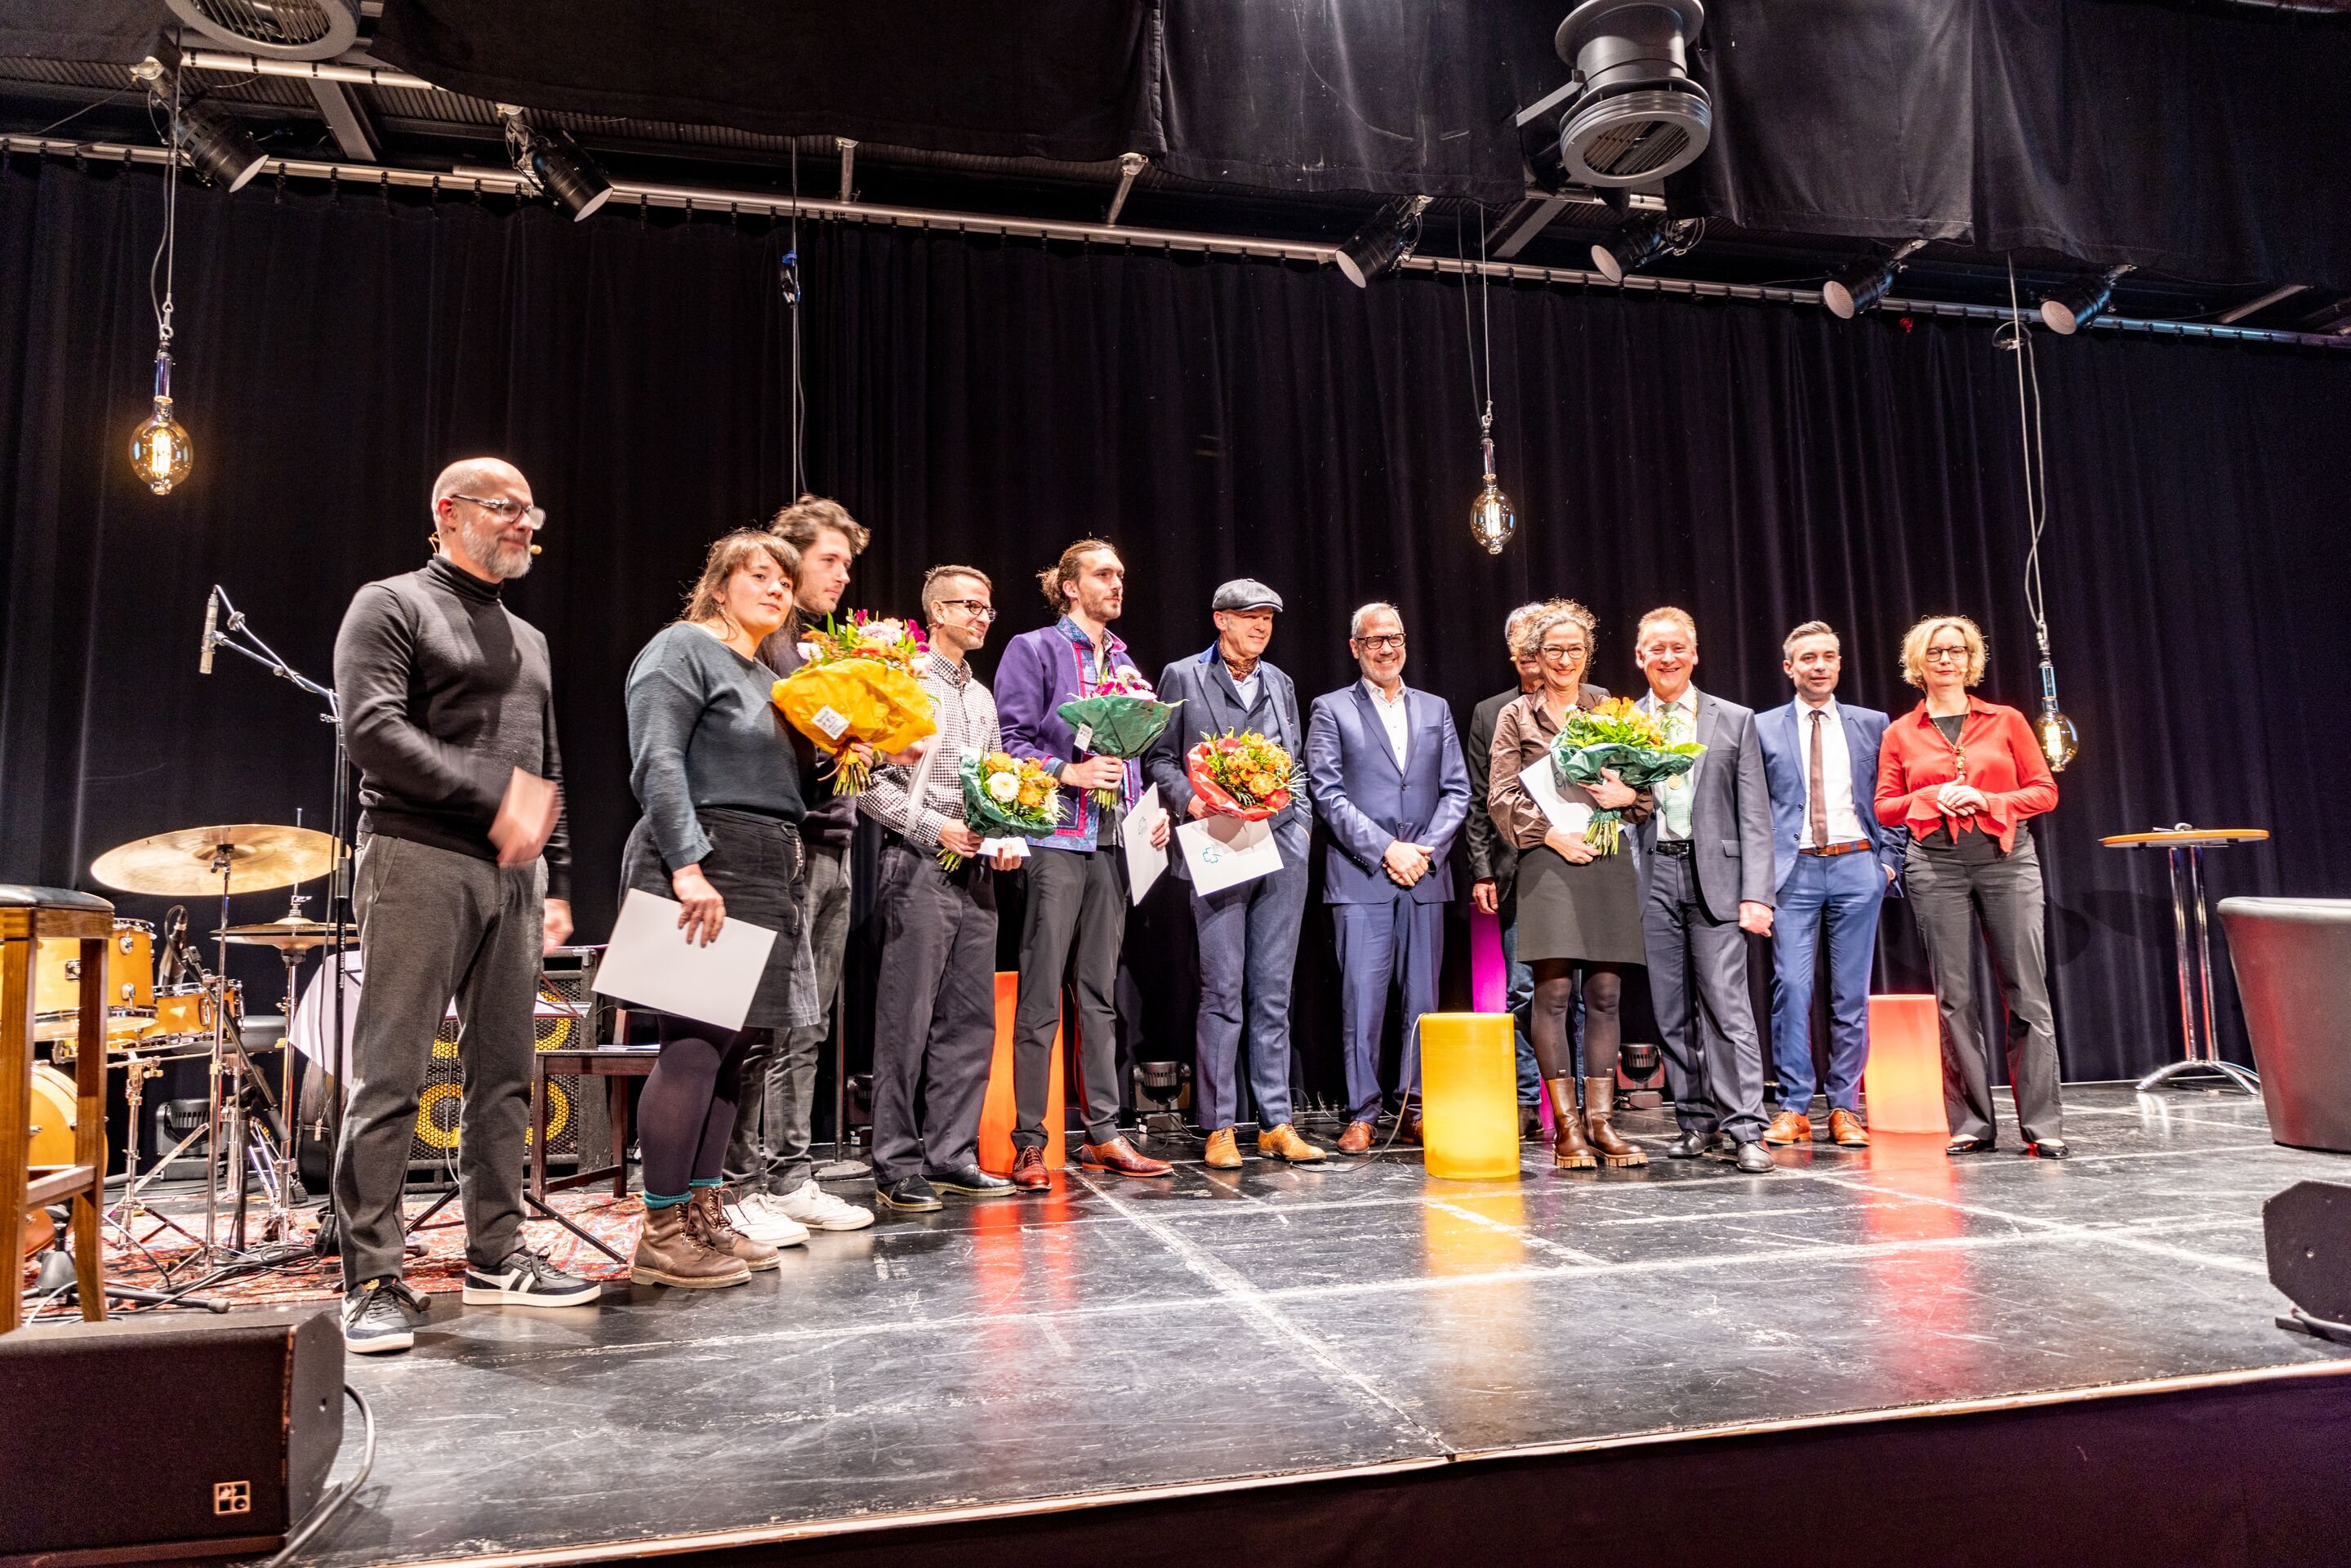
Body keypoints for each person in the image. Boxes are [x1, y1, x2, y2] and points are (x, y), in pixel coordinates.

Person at [330, 457, 595, 1354]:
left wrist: (556, 876)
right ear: (448, 511)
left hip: (515, 877)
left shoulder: (530, 637)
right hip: (418, 859)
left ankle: (496, 1254)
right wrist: (496, 797)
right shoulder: (390, 604)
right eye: (505, 507)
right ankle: (372, 1278)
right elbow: (373, 732)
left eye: (530, 511)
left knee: (506, 1074)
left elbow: (546, 767)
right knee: (392, 1076)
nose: (524, 523)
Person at [618, 530, 833, 1285]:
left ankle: (703, 1215)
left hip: (766, 859)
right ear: (718, 585)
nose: (777, 590)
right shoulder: (681, 648)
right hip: (704, 856)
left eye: (785, 582)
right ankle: (660, 1228)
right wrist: (687, 866)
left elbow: (789, 783)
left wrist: (858, 751)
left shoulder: (770, 676)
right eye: (761, 575)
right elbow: (657, 759)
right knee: (694, 1045)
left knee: (734, 1052)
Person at [997, 540, 1174, 1187]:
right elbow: (1008, 741)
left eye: (1120, 574)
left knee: (1100, 994)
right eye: (1103, 574)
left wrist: (1150, 812)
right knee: (1041, 992)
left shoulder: (1124, 661)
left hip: (1113, 842)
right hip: (1055, 837)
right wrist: (1066, 771)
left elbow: (1132, 756)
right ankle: (1029, 1141)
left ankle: (1103, 1134)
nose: (1116, 583)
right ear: (1070, 586)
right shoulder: (1035, 649)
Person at [856, 567, 1026, 1211]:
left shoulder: (980, 697)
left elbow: (997, 778)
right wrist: (934, 828)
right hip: (917, 863)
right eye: (969, 605)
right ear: (936, 612)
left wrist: (1005, 832)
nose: (982, 616)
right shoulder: (903, 680)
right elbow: (867, 781)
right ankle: (895, 1163)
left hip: (975, 869)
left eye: (987, 607)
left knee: (970, 1019)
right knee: (906, 1020)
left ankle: (951, 1155)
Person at [1144, 579, 1325, 1171]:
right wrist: (1191, 802)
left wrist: (1301, 826)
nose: (1261, 627)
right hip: (1217, 840)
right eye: (1250, 617)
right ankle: (1219, 1125)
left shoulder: (1280, 682)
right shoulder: (1183, 675)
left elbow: (1295, 764)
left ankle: (1275, 1122)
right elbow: (1159, 757)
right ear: (1220, 619)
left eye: (1268, 618)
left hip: (1281, 844)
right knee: (1222, 990)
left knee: (1272, 991)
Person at [732, 497, 876, 1236]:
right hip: (781, 851)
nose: (842, 576)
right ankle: (740, 1182)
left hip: (834, 846)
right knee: (761, 1025)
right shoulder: (763, 643)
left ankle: (789, 1175)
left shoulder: (821, 648)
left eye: (847, 564)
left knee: (808, 1025)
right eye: (830, 560)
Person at [1874, 615, 2066, 1158]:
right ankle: (1972, 1123)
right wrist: (1930, 797)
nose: (1946, 660)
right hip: (1935, 864)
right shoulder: (1900, 732)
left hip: (2006, 860)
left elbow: (2044, 791)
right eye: (1935, 652)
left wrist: (1989, 799)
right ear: (1918, 662)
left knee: (2026, 991)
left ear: (1970, 659)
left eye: (1956, 650)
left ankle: (2043, 1125)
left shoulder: (2005, 720)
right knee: (1954, 997)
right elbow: (1885, 806)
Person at [1486, 602, 1652, 1169]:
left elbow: (1643, 791)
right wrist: (1551, 836)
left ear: (1588, 654)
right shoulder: (1516, 715)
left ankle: (1601, 1123)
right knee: (1553, 994)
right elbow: (1500, 796)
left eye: (1574, 649)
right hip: (1549, 860)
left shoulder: (1608, 708)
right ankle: (1567, 1129)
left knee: (1604, 994)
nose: (1564, 659)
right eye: (1553, 650)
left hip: (1606, 856)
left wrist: (1628, 796)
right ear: (1534, 656)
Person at [1305, 603, 1472, 1155]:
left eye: (1394, 638)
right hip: (1361, 878)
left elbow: (1457, 790)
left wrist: (1425, 850)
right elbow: (1326, 793)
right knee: (1362, 1001)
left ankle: (1414, 1107)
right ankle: (1362, 1112)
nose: (1386, 649)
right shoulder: (1331, 708)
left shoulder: (1435, 708)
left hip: (1425, 875)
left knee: (1423, 1002)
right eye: (1374, 640)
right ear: (1355, 647)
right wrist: (1385, 850)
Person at [1631, 607, 1779, 1175]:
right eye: (1656, 648)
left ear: (1694, 654)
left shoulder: (1733, 719)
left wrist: (1757, 893)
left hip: (1715, 876)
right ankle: (1695, 1121)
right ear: (1640, 657)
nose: (1667, 657)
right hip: (1652, 877)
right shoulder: (1623, 723)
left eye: (1677, 647)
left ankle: (1746, 1127)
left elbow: (1755, 815)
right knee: (1671, 1011)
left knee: (1725, 1006)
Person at [1755, 622, 1904, 1150]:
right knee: (1791, 988)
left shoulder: (1873, 724)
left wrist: (1888, 863)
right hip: (1792, 871)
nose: (1819, 666)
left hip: (1856, 866)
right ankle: (1794, 1107)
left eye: (1828, 657)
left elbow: (1890, 795)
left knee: (1850, 994)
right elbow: (1752, 808)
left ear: (1839, 664)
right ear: (1789, 667)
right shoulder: (1762, 727)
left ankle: (1844, 1106)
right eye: (1808, 658)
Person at [1467, 602, 1578, 1138]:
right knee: (1523, 989)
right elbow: (1478, 799)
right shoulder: (1493, 713)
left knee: (1584, 991)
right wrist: (1481, 870)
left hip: (1587, 864)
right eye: (1527, 641)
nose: (1539, 652)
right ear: (1517, 651)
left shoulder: (1594, 703)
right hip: (1519, 868)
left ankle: (1584, 1100)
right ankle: (1528, 1097)